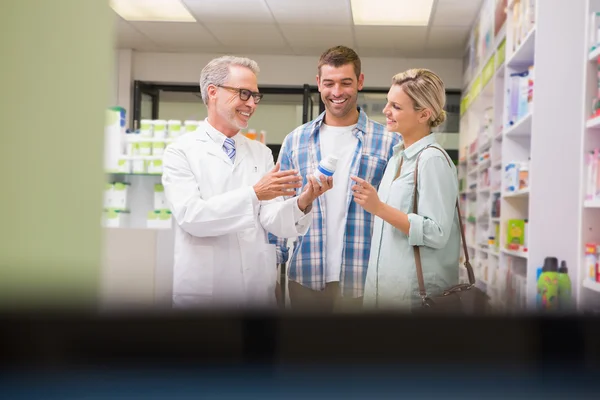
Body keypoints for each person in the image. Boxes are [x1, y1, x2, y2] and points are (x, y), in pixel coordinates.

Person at [162, 56, 332, 310]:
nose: (252, 103)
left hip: (255, 290)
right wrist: (254, 194)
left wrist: (303, 201)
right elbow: (192, 217)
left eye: (255, 96)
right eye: (244, 94)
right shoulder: (180, 152)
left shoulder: (260, 152)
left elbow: (270, 218)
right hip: (205, 294)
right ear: (213, 92)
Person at [270, 46, 401, 312]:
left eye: (346, 83)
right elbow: (279, 206)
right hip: (305, 274)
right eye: (329, 83)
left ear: (360, 82)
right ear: (319, 83)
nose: (337, 92)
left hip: (364, 276)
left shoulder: (390, 141)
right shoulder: (296, 141)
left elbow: (397, 209)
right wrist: (273, 269)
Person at [351, 68, 460, 311]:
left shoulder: (432, 160)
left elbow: (437, 232)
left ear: (424, 115)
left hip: (415, 299)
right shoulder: (397, 159)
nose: (386, 111)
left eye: (396, 107)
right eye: (388, 103)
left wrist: (378, 208)